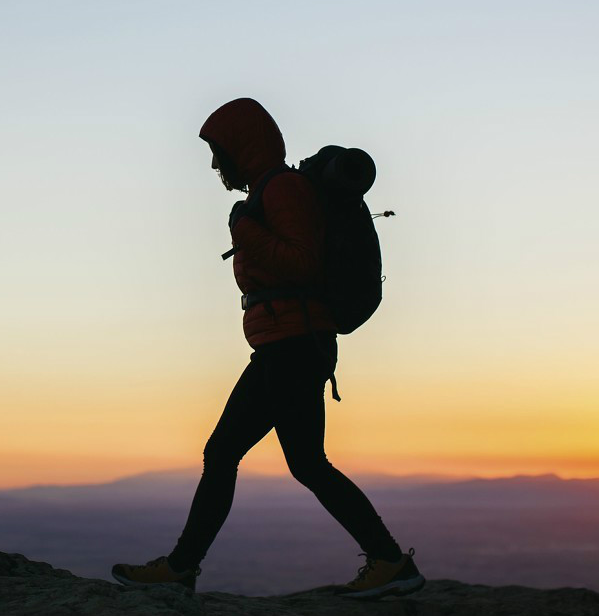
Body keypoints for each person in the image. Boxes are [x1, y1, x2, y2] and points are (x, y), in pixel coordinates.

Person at [111, 97, 424, 600]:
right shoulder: (272, 190)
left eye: (219, 152)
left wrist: (245, 231)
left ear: (242, 147)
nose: (215, 165)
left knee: (232, 454)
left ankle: (180, 568)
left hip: (293, 344)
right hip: (294, 342)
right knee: (299, 462)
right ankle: (388, 562)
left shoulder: (282, 191)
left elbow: (302, 263)